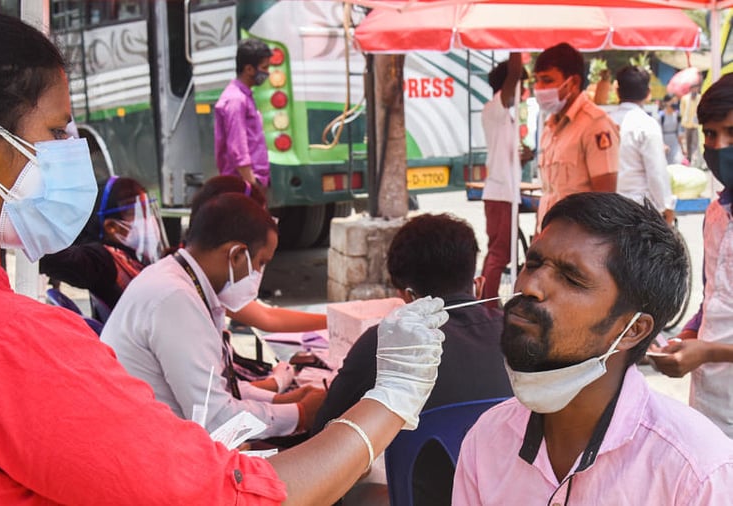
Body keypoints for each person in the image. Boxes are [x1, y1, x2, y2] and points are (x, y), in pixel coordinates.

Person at [0, 7, 451, 504]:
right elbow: (236, 497)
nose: (73, 150)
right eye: (56, 131)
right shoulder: (6, 347)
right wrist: (390, 398)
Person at [452, 192, 733, 504]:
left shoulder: (696, 473)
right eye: (532, 263)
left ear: (632, 330)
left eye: (571, 278)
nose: (529, 286)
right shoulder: (488, 439)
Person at [312, 213, 511, 505]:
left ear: (408, 296)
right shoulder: (520, 336)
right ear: (476, 282)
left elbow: (322, 437)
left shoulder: (382, 344)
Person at [102, 194, 328, 439]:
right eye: (261, 263)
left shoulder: (177, 280)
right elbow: (218, 422)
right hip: (151, 446)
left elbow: (214, 387)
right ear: (236, 255)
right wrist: (300, 413)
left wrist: (280, 401)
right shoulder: (175, 299)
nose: (260, 273)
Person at [651, 73, 733, 438]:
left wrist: (708, 353)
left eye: (732, 134)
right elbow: (713, 299)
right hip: (710, 403)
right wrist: (686, 336)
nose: (720, 146)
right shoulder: (715, 213)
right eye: (711, 135)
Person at [189, 175, 327, 332]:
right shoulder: (182, 295)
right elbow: (267, 318)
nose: (256, 271)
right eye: (260, 262)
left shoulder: (198, 278)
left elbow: (268, 316)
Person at [533, 43, 619, 232]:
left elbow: (605, 198)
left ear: (573, 82)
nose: (539, 88)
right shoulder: (550, 127)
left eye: (547, 80)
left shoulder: (596, 125)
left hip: (577, 241)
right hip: (549, 236)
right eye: (537, 80)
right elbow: (549, 194)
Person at [40, 175, 161, 309]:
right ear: (112, 227)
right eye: (135, 212)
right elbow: (52, 258)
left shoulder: (137, 257)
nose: (148, 220)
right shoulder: (103, 260)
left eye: (147, 210)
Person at [481, 53, 526, 303]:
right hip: (501, 195)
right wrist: (516, 47)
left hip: (504, 192)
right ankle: (487, 303)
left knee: (497, 252)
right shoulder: (497, 107)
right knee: (500, 253)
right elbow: (514, 73)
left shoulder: (504, 115)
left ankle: (487, 300)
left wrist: (523, 157)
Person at [609, 65, 676, 225]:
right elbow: (656, 172)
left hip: (608, 207)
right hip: (638, 210)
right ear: (648, 93)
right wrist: (666, 206)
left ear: (618, 92)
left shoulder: (606, 122)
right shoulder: (646, 124)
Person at [215, 38, 272, 189]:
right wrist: (251, 185)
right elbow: (237, 148)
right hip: (242, 184)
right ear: (249, 69)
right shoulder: (236, 100)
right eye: (264, 68)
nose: (267, 73)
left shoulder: (244, 96)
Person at [680, 83, 702, 166]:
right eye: (693, 88)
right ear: (690, 89)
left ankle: (695, 159)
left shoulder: (700, 98)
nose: (695, 90)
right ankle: (688, 158)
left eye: (696, 88)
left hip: (696, 124)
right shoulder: (685, 98)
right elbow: (682, 110)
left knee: (695, 142)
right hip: (687, 124)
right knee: (687, 142)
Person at [660, 94, 684, 164]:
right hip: (663, 143)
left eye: (676, 101)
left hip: (675, 143)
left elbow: (679, 133)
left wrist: (682, 148)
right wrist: (662, 144)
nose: (674, 103)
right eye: (672, 101)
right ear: (665, 103)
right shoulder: (661, 116)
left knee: (677, 161)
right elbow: (658, 132)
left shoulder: (677, 116)